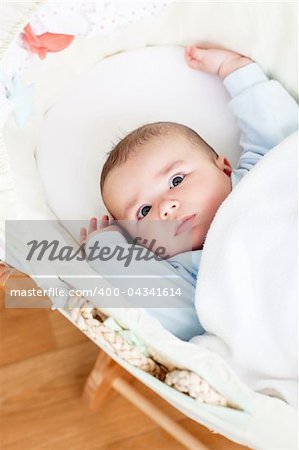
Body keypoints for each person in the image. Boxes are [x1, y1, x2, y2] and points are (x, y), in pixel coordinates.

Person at [80, 46, 298, 340]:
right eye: (143, 211)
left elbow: (279, 128)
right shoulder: (186, 273)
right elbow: (174, 314)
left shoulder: (256, 176)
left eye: (176, 179)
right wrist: (107, 253)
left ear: (223, 168)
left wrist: (235, 70)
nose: (166, 207)